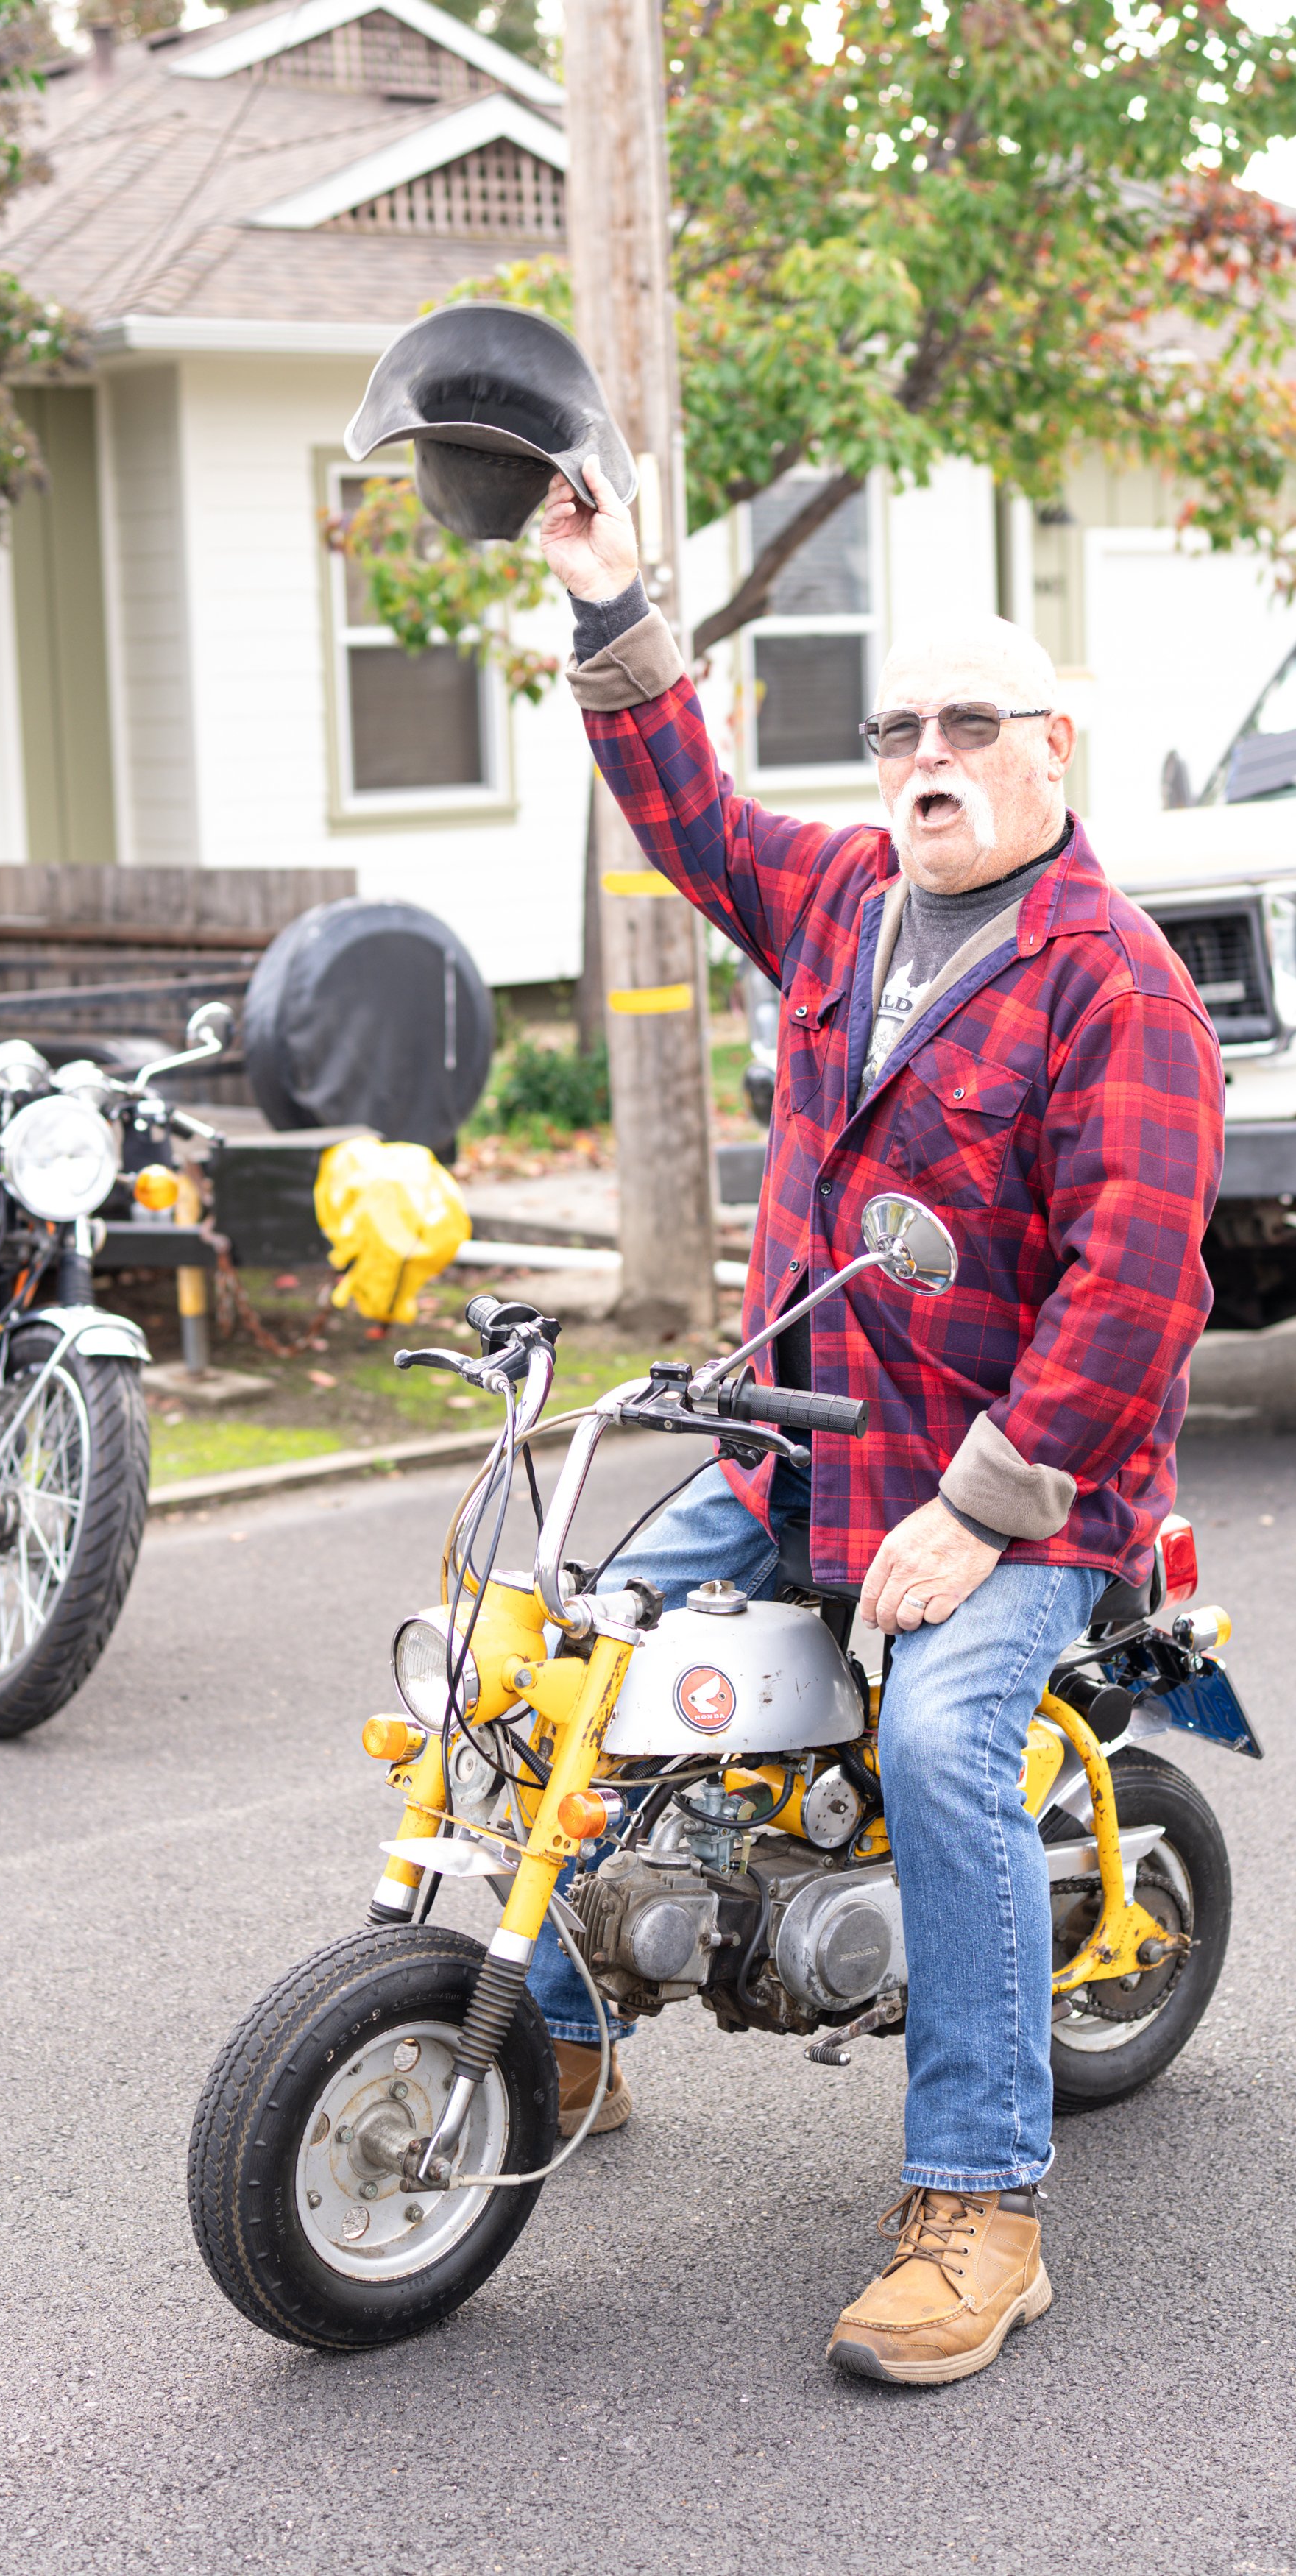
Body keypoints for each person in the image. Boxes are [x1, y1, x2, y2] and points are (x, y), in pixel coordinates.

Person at [528, 458, 1224, 2385]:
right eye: (898, 726)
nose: (925, 756)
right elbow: (685, 805)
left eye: (968, 724)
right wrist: (607, 587)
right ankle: (550, 2030)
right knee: (556, 1658)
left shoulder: (1118, 990)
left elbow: (1137, 1295)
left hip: (1023, 1496)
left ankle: (983, 2203)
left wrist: (979, 1515)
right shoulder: (841, 897)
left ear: (1053, 746)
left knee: (937, 1737)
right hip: (803, 1447)